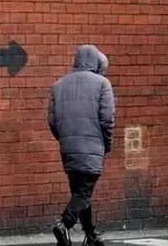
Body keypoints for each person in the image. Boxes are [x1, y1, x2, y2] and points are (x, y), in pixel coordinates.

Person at [48, 45, 115, 246]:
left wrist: (65, 139)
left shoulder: (58, 85)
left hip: (68, 148)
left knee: (80, 193)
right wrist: (106, 144)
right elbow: (107, 119)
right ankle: (63, 224)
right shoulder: (102, 84)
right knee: (84, 193)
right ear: (97, 63)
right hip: (93, 146)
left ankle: (91, 235)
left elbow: (52, 120)